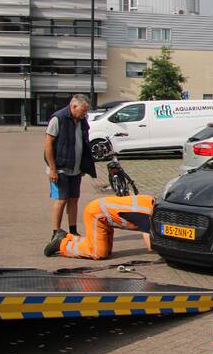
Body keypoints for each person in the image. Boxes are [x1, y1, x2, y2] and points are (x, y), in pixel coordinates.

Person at [44, 94, 97, 254]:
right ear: (74, 107)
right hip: (60, 168)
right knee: (61, 200)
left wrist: (83, 165)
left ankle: (73, 231)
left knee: (74, 199)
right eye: (83, 111)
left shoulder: (81, 120)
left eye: (86, 111)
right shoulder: (58, 119)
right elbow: (48, 144)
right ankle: (55, 233)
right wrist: (52, 169)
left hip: (75, 168)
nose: (85, 114)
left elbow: (84, 142)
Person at [45, 194, 156, 259]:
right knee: (98, 253)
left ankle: (68, 237)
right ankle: (62, 244)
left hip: (104, 215)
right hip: (96, 214)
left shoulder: (151, 202)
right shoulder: (145, 214)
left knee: (106, 252)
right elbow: (150, 246)